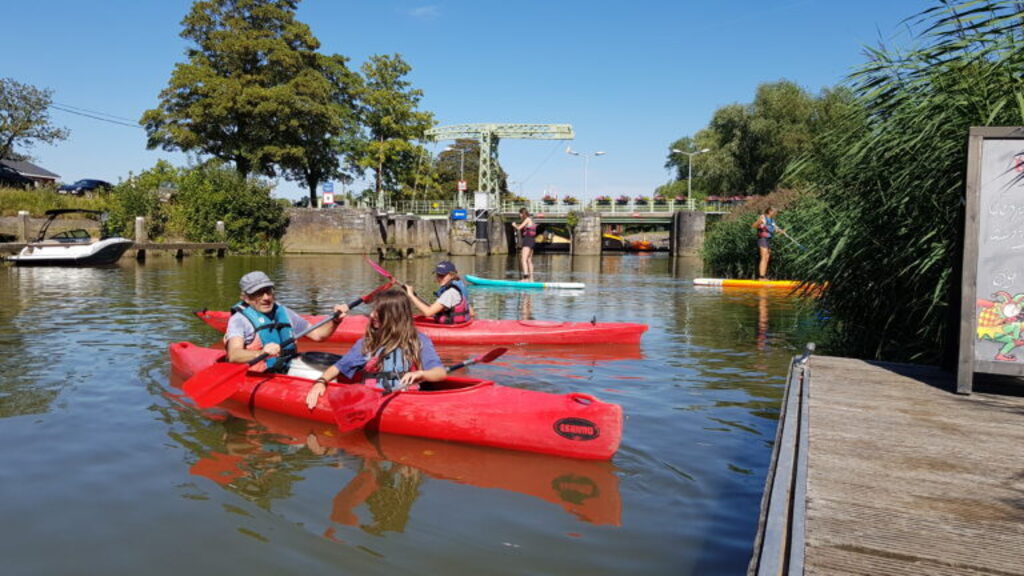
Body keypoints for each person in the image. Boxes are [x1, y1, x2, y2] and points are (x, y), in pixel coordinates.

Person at [305, 288, 447, 409]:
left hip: (408, 401)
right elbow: (339, 367)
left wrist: (422, 374)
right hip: (373, 399)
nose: (372, 315)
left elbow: (440, 373)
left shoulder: (419, 341)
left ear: (394, 316)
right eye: (373, 310)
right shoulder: (367, 343)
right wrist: (321, 382)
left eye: (378, 312)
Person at [225, 270, 348, 378]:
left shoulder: (284, 312)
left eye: (268, 291)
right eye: (258, 293)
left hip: (287, 368)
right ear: (245, 298)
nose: (266, 297)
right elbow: (234, 355)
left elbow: (318, 335)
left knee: (334, 370)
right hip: (260, 374)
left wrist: (335, 320)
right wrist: (262, 353)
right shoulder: (239, 320)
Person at [405, 260, 472, 325]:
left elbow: (428, 313)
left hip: (452, 328)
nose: (439, 278)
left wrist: (411, 295)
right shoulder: (458, 287)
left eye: (442, 275)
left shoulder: (450, 293)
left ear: (452, 275)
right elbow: (472, 313)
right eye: (438, 275)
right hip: (460, 324)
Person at [752, 207, 786, 280]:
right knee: (764, 257)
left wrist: (781, 231)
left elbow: (775, 228)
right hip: (762, 239)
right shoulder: (763, 217)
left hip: (768, 239)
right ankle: (761, 277)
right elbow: (754, 226)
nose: (775, 213)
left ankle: (763, 276)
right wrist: (759, 222)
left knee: (767, 257)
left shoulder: (772, 220)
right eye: (775, 212)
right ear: (770, 211)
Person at [511, 208, 537, 280]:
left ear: (523, 213)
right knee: (529, 260)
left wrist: (514, 225)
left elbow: (519, 228)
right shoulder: (530, 220)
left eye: (520, 214)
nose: (519, 215)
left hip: (528, 240)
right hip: (532, 241)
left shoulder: (527, 219)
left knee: (523, 259)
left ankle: (525, 277)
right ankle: (531, 278)